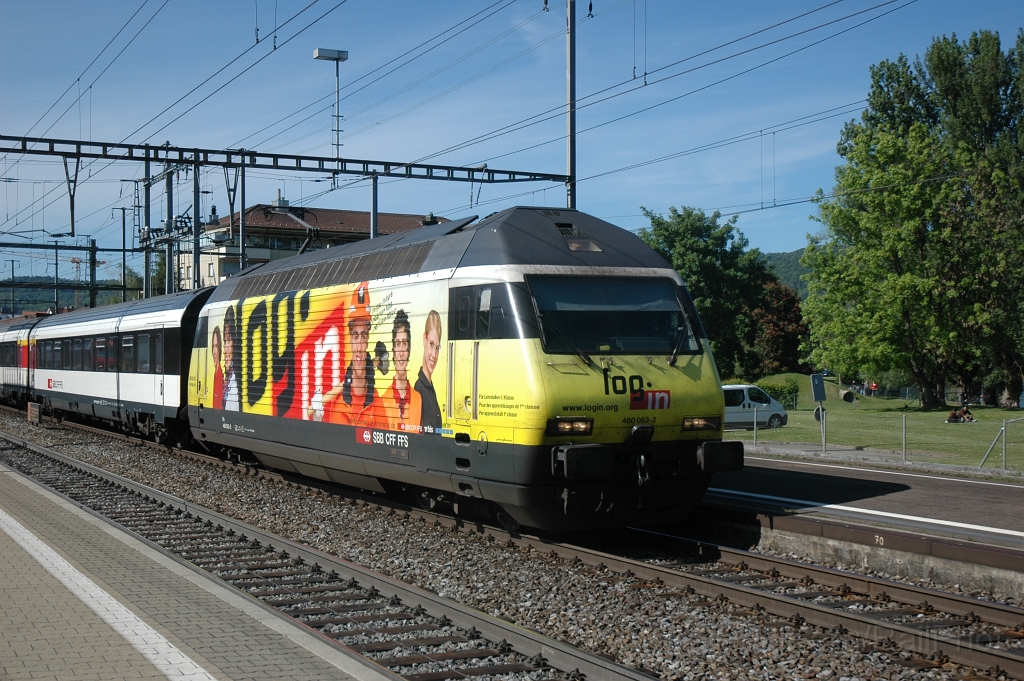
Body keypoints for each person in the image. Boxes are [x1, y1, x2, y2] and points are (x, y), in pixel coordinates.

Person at [322, 283, 384, 427]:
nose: (359, 347)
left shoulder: (377, 404)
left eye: (363, 336)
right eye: (355, 336)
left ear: (368, 338)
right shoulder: (336, 405)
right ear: (350, 338)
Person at [382, 310, 421, 432]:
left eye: (404, 344)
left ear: (409, 350)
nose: (401, 352)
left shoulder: (418, 399)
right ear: (393, 350)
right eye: (398, 344)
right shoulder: (383, 401)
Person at [415, 310, 443, 433]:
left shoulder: (430, 388)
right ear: (424, 339)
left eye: (437, 347)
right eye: (431, 344)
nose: (434, 355)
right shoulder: (419, 389)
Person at [222, 307, 240, 412]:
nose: (225, 350)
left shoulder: (235, 381)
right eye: (225, 341)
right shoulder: (229, 379)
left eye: (229, 340)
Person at [211, 325, 224, 409]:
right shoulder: (215, 375)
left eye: (216, 346)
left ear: (220, 349)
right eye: (213, 346)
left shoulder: (220, 376)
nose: (214, 352)